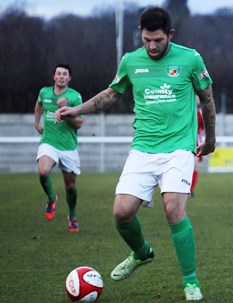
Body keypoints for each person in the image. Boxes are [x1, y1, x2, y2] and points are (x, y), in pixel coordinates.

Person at [55, 6, 215, 301]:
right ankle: (142, 253)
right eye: (146, 40)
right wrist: (75, 110)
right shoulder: (131, 61)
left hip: (179, 148)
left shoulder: (190, 59)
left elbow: (206, 98)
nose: (152, 46)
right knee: (121, 213)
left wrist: (211, 140)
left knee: (173, 209)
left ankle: (190, 282)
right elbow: (110, 95)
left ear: (170, 34)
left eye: (158, 40)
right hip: (142, 149)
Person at [34, 64, 84, 232]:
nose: (61, 76)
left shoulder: (75, 97)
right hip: (49, 142)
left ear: (69, 78)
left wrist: (64, 111)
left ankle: (72, 215)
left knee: (70, 187)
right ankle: (51, 198)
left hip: (68, 147)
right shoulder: (45, 92)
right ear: (54, 77)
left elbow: (79, 123)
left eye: (65, 74)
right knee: (43, 171)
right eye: (59, 73)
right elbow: (39, 103)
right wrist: (36, 122)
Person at [190, 96, 205, 196]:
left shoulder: (200, 113)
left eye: (198, 99)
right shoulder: (185, 111)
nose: (196, 100)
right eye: (194, 98)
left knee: (194, 167)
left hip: (196, 144)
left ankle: (190, 190)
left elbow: (205, 127)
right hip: (184, 142)